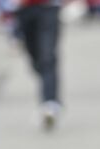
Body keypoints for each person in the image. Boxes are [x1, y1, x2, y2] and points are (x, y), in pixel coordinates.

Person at [15, 0, 63, 130]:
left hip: (49, 8)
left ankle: (49, 103)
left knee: (47, 56)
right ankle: (49, 89)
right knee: (35, 59)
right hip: (24, 9)